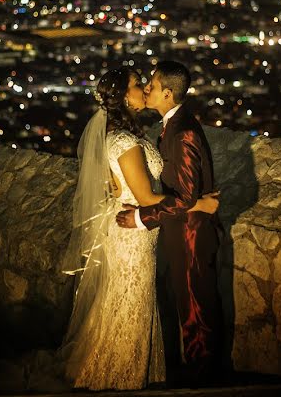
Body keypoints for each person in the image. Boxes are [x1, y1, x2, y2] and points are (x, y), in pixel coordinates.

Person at [55, 66, 220, 391]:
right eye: (136, 85)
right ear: (123, 97)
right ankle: (119, 376)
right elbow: (144, 196)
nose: (143, 89)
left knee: (124, 300)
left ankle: (117, 371)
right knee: (130, 301)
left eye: (146, 84)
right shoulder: (125, 141)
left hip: (134, 229)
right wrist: (199, 204)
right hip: (132, 233)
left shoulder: (124, 136)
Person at [116, 60, 224, 388]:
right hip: (183, 230)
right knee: (190, 301)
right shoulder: (173, 126)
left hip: (191, 232)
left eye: (151, 84)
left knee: (195, 307)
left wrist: (141, 218)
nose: (146, 89)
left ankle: (202, 380)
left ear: (167, 93)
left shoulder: (183, 131)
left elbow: (186, 198)